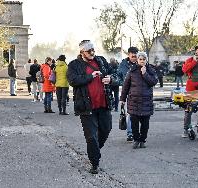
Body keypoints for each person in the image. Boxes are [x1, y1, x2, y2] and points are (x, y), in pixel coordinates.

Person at [67, 40, 119, 174]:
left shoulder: (101, 61)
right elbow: (73, 81)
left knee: (106, 130)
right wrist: (90, 76)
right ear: (82, 52)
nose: (92, 53)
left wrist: (111, 79)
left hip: (104, 104)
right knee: (91, 137)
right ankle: (94, 162)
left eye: (93, 50)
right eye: (89, 51)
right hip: (86, 107)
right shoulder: (74, 64)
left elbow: (117, 75)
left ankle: (94, 150)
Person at [120, 52, 158, 149]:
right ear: (137, 60)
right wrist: (122, 99)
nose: (142, 61)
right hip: (134, 101)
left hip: (146, 102)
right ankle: (136, 140)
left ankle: (142, 140)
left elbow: (153, 82)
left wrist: (145, 74)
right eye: (140, 59)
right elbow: (126, 85)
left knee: (145, 124)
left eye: (144, 59)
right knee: (134, 124)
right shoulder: (132, 71)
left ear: (146, 60)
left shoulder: (150, 70)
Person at [118, 46, 139, 142]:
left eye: (136, 55)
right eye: (132, 55)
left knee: (139, 114)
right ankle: (130, 133)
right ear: (129, 55)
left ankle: (137, 133)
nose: (134, 57)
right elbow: (119, 78)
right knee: (130, 113)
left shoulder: (142, 63)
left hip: (140, 93)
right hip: (128, 93)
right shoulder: (123, 65)